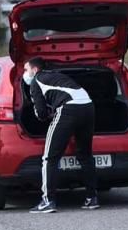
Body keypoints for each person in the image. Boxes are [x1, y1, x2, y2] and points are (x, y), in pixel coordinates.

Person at [22, 57, 99, 214]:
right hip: (89, 106)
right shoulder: (57, 75)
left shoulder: (37, 81)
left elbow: (41, 113)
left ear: (35, 70)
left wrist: (48, 114)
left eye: (26, 70)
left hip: (68, 109)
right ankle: (92, 198)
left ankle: (47, 201)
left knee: (49, 158)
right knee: (85, 155)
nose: (25, 73)